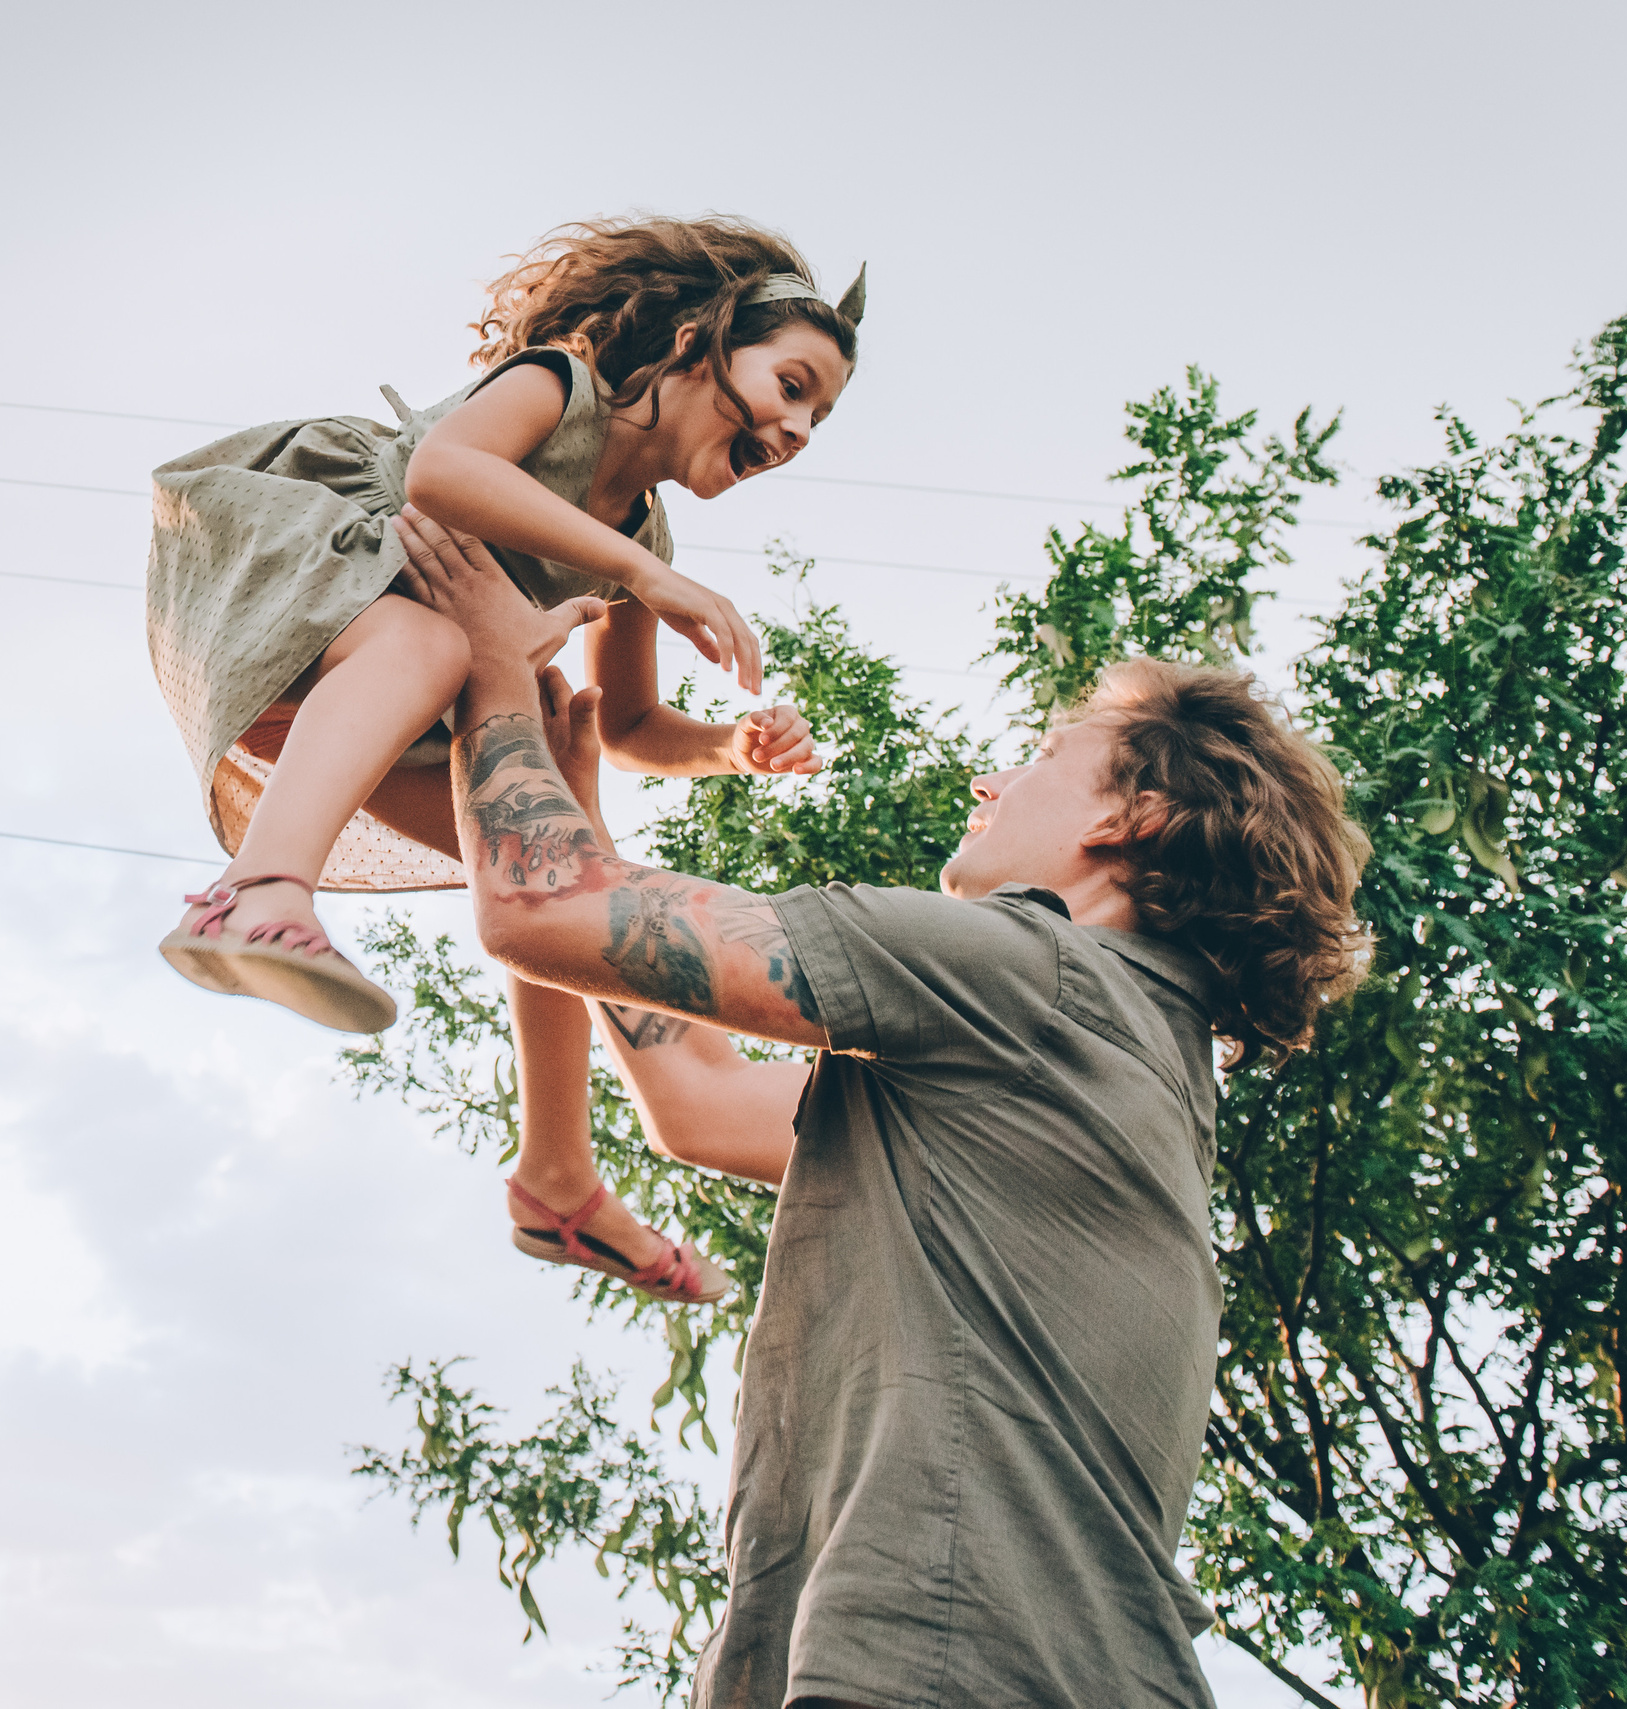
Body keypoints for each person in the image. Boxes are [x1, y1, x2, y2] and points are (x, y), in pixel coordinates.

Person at [396, 507, 1372, 1708]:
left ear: (1131, 818)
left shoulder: (1035, 969)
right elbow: (695, 1098)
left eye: (1045, 754)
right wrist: (568, 788)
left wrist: (495, 678)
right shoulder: (1109, 1054)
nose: (994, 776)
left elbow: (537, 912)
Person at [146, 215, 862, 1033]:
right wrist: (649, 576)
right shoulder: (564, 387)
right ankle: (255, 894)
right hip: (293, 580)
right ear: (698, 346)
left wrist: (727, 747)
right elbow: (442, 473)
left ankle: (555, 1159)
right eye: (794, 386)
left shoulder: (641, 535)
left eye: (820, 419)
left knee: (552, 864)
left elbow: (627, 726)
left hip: (363, 709)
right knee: (431, 643)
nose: (801, 431)